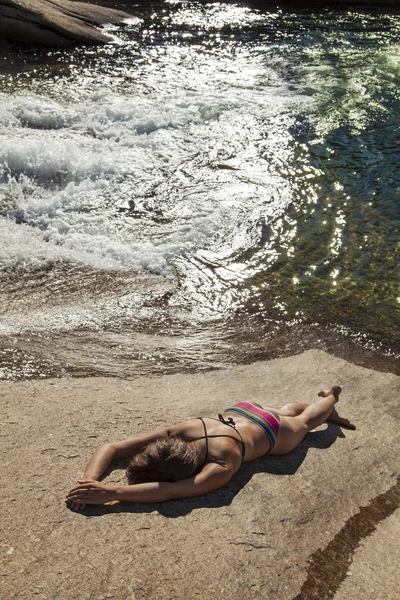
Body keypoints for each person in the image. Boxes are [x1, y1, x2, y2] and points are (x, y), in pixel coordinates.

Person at [66, 386, 355, 510]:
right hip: (245, 409)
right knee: (284, 412)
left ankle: (331, 397)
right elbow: (113, 448)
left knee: (305, 422)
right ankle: (318, 405)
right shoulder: (181, 431)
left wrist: (111, 493)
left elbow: (169, 491)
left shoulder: (221, 463)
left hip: (271, 432)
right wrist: (88, 482)